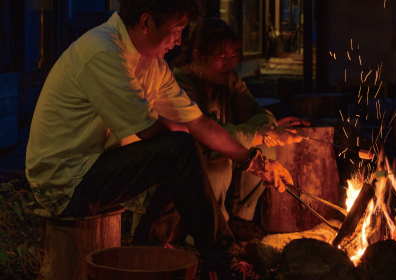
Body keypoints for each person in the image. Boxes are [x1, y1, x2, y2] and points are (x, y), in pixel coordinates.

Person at [24, 1, 289, 279]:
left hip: (93, 167)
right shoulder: (103, 51)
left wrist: (254, 162)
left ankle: (152, 242)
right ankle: (222, 262)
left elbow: (199, 124)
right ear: (146, 22)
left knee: (186, 146)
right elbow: (152, 132)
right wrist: (186, 152)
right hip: (64, 183)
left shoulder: (152, 65)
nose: (179, 40)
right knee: (180, 150)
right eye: (177, 30)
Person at [132, 18, 304, 245]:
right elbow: (206, 130)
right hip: (186, 162)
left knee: (266, 150)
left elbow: (256, 112)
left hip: (217, 150)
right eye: (222, 57)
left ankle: (238, 220)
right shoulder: (179, 81)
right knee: (221, 166)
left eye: (234, 57)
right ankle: (206, 232)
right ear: (197, 55)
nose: (230, 64)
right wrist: (260, 133)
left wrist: (266, 128)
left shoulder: (229, 83)